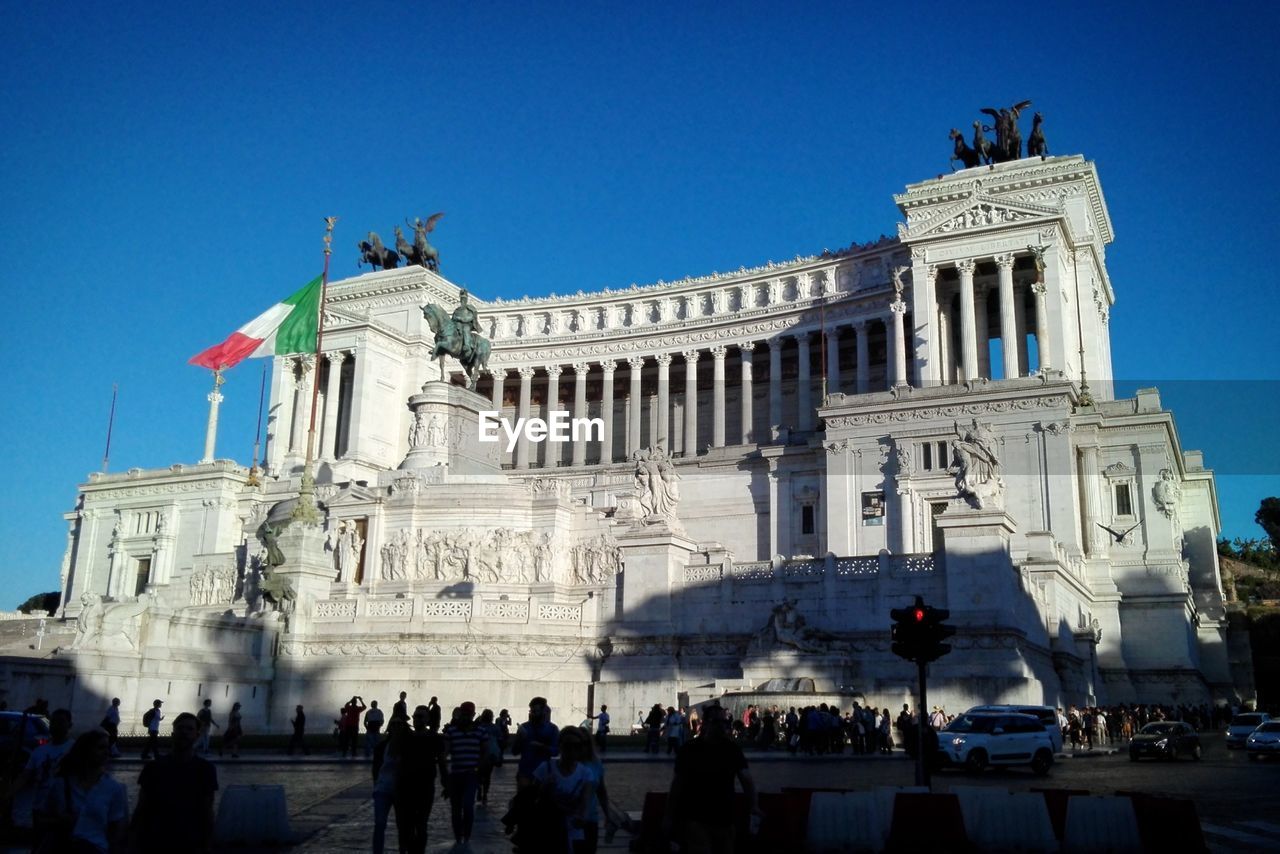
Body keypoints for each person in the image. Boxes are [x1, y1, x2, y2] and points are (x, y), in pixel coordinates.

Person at [665, 703, 762, 854]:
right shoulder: (726, 749)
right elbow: (677, 784)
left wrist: (754, 806)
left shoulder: (725, 749)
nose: (722, 726)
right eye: (718, 722)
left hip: (722, 816)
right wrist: (670, 814)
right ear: (706, 723)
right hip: (699, 816)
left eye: (724, 722)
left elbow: (747, 781)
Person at [133, 712, 218, 854]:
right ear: (173, 733)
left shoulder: (206, 770)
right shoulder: (153, 767)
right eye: (180, 728)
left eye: (189, 729)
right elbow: (141, 807)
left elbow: (207, 810)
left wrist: (207, 844)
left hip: (191, 841)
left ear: (197, 735)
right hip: (155, 841)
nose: (184, 732)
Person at [39, 729, 128, 854]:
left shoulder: (114, 788)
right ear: (86, 750)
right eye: (101, 748)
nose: (107, 752)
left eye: (107, 748)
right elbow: (42, 819)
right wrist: (59, 822)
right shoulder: (61, 784)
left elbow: (116, 830)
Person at [10, 708, 74, 841]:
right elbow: (24, 776)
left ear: (69, 725)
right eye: (54, 722)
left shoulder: (75, 749)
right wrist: (8, 794)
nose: (56, 726)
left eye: (60, 722)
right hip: (41, 809)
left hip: (67, 809)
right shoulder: (39, 752)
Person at [532, 726, 594, 854]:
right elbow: (530, 798)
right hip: (547, 830)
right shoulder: (545, 768)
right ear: (560, 746)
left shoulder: (585, 773)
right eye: (567, 745)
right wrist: (543, 790)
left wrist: (582, 818)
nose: (571, 750)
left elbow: (585, 802)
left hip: (573, 832)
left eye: (576, 746)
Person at [395, 704, 448, 854]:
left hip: (425, 787)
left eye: (420, 716)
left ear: (427, 719)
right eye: (415, 716)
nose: (416, 719)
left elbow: (442, 761)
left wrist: (446, 784)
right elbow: (395, 758)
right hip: (406, 786)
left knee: (421, 823)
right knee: (407, 823)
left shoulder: (434, 738)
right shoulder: (405, 736)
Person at [443, 701, 484, 847]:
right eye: (464, 714)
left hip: (470, 774)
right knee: (456, 808)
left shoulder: (480, 732)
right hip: (456, 775)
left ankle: (465, 836)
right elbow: (444, 754)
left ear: (473, 715)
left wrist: (480, 773)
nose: (466, 717)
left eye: (468, 714)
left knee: (466, 806)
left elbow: (484, 754)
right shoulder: (452, 732)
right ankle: (459, 837)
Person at [370, 718, 408, 854]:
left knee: (402, 825)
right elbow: (375, 768)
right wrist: (377, 784)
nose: (397, 727)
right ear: (390, 727)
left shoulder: (408, 747)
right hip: (383, 789)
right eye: (394, 724)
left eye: (400, 724)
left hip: (401, 790)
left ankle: (402, 850)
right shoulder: (382, 747)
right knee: (380, 824)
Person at [512, 697, 560, 786]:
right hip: (525, 772)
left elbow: (555, 751)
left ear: (543, 712)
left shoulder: (552, 729)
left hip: (543, 773)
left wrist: (542, 747)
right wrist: (519, 738)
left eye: (535, 711)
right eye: (531, 711)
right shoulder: (524, 728)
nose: (532, 714)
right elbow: (514, 751)